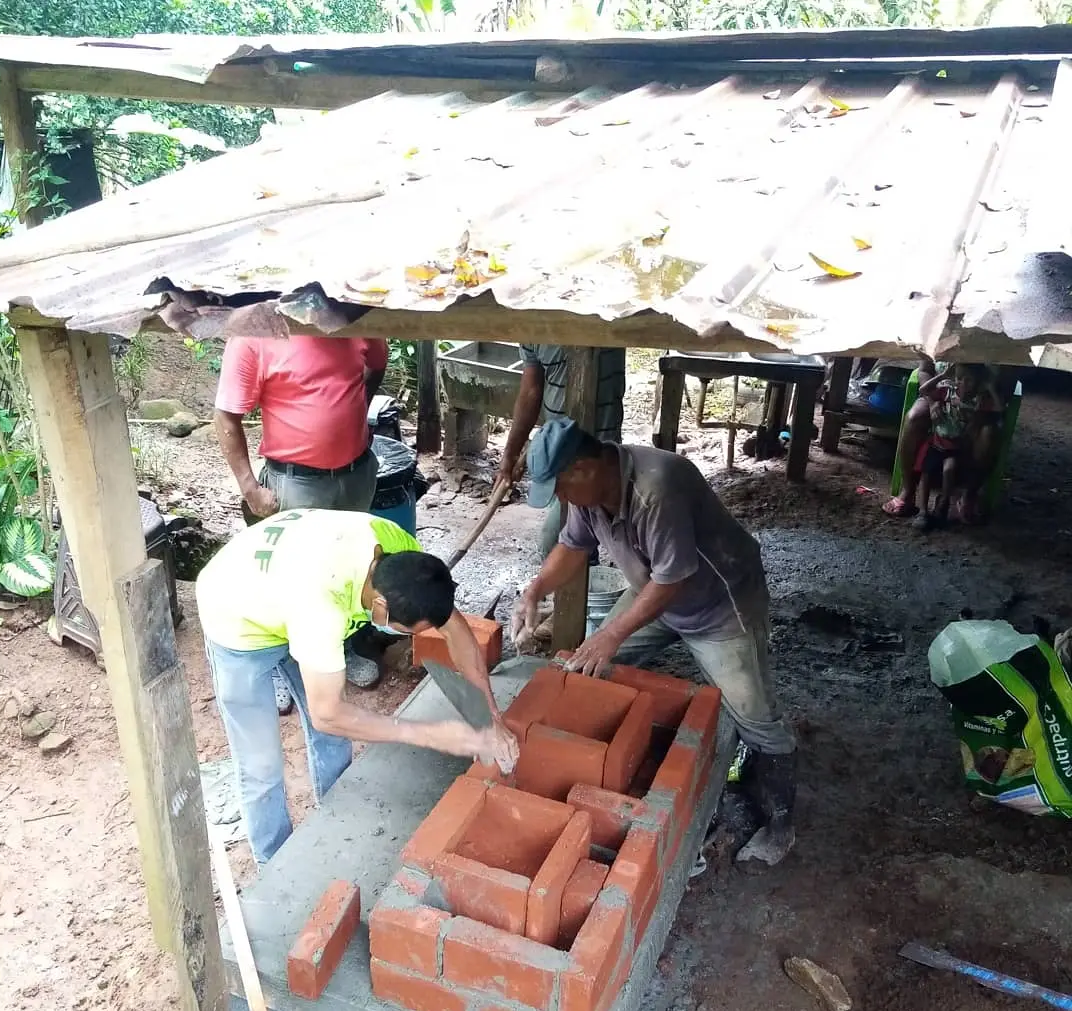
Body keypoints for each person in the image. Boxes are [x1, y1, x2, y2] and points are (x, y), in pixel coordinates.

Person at [510, 419, 797, 867]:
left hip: (718, 603)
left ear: (585, 468)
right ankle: (592, 758)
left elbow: (674, 578)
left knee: (755, 716)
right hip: (652, 586)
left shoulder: (656, 488)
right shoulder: (589, 494)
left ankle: (780, 824)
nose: (561, 499)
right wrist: (533, 591)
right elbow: (573, 545)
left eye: (562, 487)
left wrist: (612, 632)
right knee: (591, 665)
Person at [195, 508, 518, 865]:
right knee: (261, 766)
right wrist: (433, 734)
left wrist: (488, 714)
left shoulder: (400, 552)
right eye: (411, 632)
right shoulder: (321, 606)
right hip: (239, 617)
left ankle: (333, 818)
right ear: (380, 606)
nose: (416, 638)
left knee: (334, 737)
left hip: (288, 584)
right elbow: (328, 714)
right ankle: (274, 867)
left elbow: (455, 629)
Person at [214, 335, 390, 692]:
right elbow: (226, 416)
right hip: (295, 481)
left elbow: (377, 364)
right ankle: (279, 662)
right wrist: (250, 488)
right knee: (288, 576)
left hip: (355, 473)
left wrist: (359, 413)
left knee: (349, 566)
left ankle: (340, 649)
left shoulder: (355, 320)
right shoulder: (254, 336)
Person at [494, 344, 626, 557]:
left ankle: (581, 583)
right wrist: (511, 453)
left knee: (558, 542)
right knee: (573, 540)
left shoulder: (604, 316)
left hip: (594, 454)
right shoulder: (530, 326)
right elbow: (530, 391)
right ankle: (582, 580)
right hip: (555, 457)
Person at [883, 359, 1002, 525]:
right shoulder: (938, 337)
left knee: (989, 432)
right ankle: (909, 491)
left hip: (978, 403)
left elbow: (1005, 384)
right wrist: (932, 403)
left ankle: (969, 495)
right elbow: (924, 370)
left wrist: (982, 404)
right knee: (914, 418)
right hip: (938, 395)